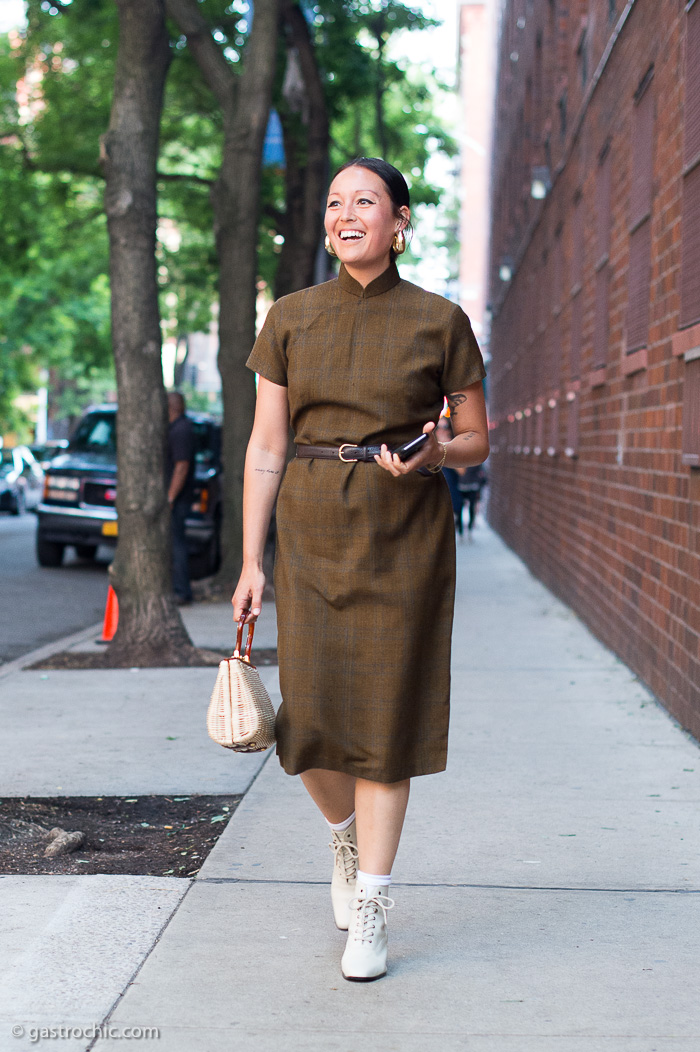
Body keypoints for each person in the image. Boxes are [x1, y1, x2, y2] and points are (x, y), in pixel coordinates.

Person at [232, 158, 489, 982]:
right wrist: (249, 560)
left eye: (365, 201)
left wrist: (436, 453)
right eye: (336, 201)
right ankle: (344, 843)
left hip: (404, 536)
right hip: (309, 533)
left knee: (384, 728)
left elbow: (479, 438)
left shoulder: (440, 320)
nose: (347, 213)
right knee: (306, 730)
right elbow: (267, 446)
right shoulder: (290, 317)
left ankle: (373, 905)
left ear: (399, 220)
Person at [166, 391, 194, 605]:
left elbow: (182, 466)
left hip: (179, 498)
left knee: (177, 544)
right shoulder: (178, 427)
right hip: (178, 497)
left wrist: (170, 497)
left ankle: (182, 591)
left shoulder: (181, 430)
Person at [436, 414, 465, 535]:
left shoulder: (454, 449)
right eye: (439, 427)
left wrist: (445, 449)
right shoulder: (428, 448)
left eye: (445, 427)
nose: (442, 430)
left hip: (451, 497)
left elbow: (462, 471)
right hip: (434, 499)